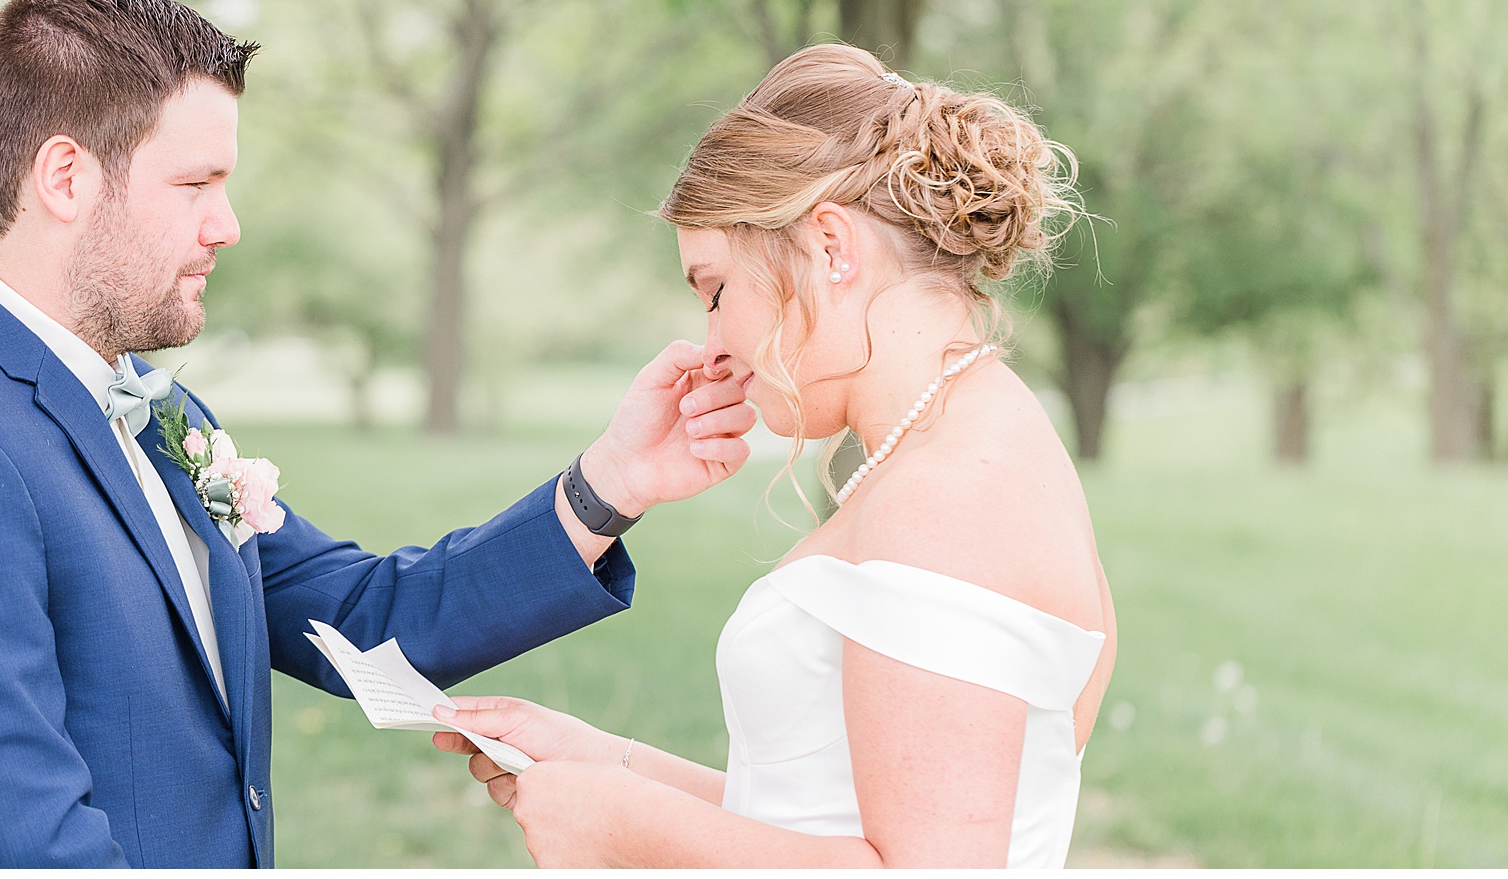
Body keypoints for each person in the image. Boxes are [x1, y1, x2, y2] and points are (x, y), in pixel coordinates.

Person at [0, 0, 756, 868]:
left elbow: (364, 620)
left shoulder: (148, 402)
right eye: (194, 185)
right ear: (66, 178)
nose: (228, 225)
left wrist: (611, 482)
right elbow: (23, 852)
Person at [432, 44, 1118, 868]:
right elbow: (834, 817)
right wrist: (610, 765)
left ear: (830, 246)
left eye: (716, 290)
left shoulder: (948, 498)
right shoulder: (972, 443)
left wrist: (626, 830)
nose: (713, 346)